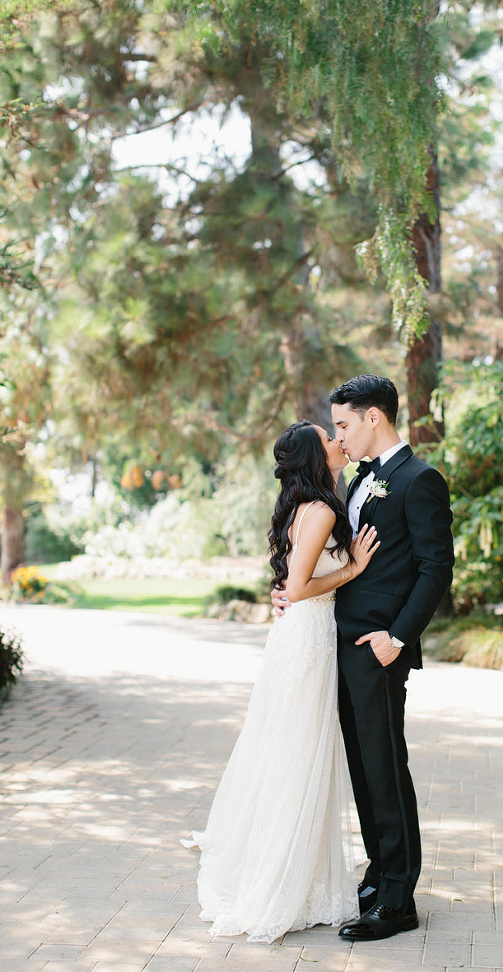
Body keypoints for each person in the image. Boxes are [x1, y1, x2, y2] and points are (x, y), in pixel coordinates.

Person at [275, 374, 455, 942]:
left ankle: (400, 900)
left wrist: (396, 638)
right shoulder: (358, 479)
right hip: (339, 645)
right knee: (360, 764)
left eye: (345, 424)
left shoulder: (419, 481)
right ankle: (379, 874)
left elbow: (436, 569)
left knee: (385, 767)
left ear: (374, 417)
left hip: (379, 648)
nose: (340, 436)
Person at [184, 421, 381, 943]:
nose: (339, 441)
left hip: (308, 639)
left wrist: (300, 588)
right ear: (317, 457)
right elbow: (297, 587)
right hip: (306, 643)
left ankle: (305, 876)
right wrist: (353, 570)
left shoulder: (316, 504)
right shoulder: (317, 511)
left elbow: (289, 584)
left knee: (299, 754)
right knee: (297, 755)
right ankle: (279, 881)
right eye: (328, 438)